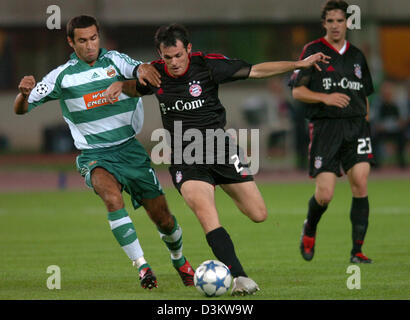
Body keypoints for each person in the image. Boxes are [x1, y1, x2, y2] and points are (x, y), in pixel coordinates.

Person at [106, 23, 329, 295]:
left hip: (221, 149)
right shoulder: (156, 74)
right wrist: (121, 85)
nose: (174, 63)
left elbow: (256, 70)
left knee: (258, 214)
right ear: (160, 54)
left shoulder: (209, 66)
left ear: (188, 49)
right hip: (186, 158)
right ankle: (239, 277)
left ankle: (223, 187)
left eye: (178, 55)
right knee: (207, 216)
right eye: (168, 58)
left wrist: (299, 64)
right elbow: (136, 88)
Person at [13, 15, 195, 290]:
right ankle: (143, 266)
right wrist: (24, 94)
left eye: (94, 38)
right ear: (71, 42)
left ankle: (179, 260)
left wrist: (144, 70)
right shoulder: (61, 76)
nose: (89, 45)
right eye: (82, 41)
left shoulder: (116, 61)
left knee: (164, 219)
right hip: (95, 155)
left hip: (130, 151)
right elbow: (21, 109)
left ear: (100, 37)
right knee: (111, 199)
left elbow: (139, 70)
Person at [289, 0, 375, 264]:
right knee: (325, 194)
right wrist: (325, 98)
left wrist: (365, 117)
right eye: (331, 21)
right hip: (326, 128)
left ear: (347, 23)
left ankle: (357, 251)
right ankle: (310, 228)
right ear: (324, 23)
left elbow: (365, 94)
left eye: (340, 20)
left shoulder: (357, 55)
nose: (336, 25)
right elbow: (296, 90)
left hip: (356, 127)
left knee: (360, 181)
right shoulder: (313, 50)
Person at [372, 81, 407, 169]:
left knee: (402, 138)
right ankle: (375, 164)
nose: (387, 94)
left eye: (389, 92)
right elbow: (375, 120)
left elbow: (403, 120)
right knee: (373, 138)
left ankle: (402, 162)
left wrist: (391, 125)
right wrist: (381, 126)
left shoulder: (398, 103)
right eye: (385, 92)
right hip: (382, 131)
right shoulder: (378, 103)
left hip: (396, 131)